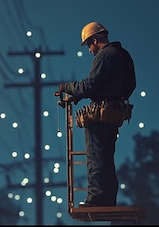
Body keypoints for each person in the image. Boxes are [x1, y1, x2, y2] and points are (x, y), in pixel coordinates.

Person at [58, 21, 136, 207]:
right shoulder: (123, 55)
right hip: (115, 114)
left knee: (96, 156)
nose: (89, 50)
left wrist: (67, 87)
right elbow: (129, 85)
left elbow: (90, 85)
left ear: (94, 40)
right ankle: (108, 198)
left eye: (88, 45)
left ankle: (96, 199)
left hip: (101, 116)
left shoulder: (105, 55)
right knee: (107, 158)